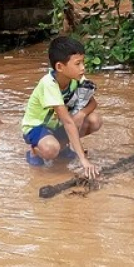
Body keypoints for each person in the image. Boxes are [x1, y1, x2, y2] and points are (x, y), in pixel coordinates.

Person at [21, 36, 102, 177]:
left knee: (95, 120)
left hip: (58, 125)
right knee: (51, 149)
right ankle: (35, 150)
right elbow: (67, 122)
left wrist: (81, 114)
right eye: (77, 64)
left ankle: (63, 147)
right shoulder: (49, 84)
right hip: (37, 127)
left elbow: (93, 103)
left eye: (83, 62)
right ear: (59, 67)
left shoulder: (77, 79)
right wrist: (83, 159)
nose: (83, 68)